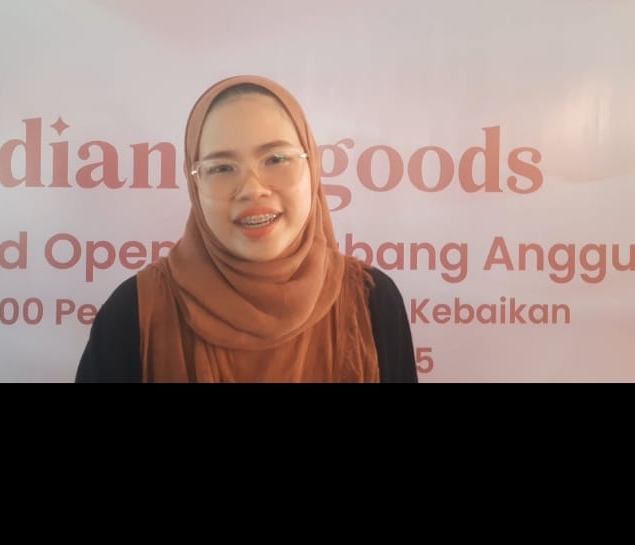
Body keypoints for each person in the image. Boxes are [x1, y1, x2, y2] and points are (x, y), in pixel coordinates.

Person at [75, 75, 417, 382]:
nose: (252, 190)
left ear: (312, 166)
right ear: (195, 184)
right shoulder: (133, 315)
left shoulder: (372, 303)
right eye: (222, 167)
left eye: (276, 159)